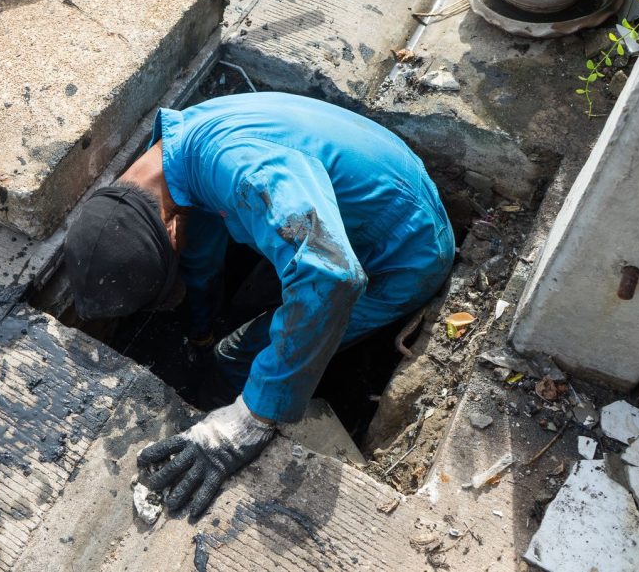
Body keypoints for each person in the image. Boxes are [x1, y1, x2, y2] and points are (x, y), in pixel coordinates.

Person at [63, 92, 454, 520]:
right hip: (363, 201)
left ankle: (233, 398)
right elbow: (202, 254)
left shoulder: (242, 169)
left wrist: (250, 419)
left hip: (402, 251)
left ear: (171, 232)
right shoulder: (175, 162)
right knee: (246, 312)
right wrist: (200, 327)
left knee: (237, 354)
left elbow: (332, 274)